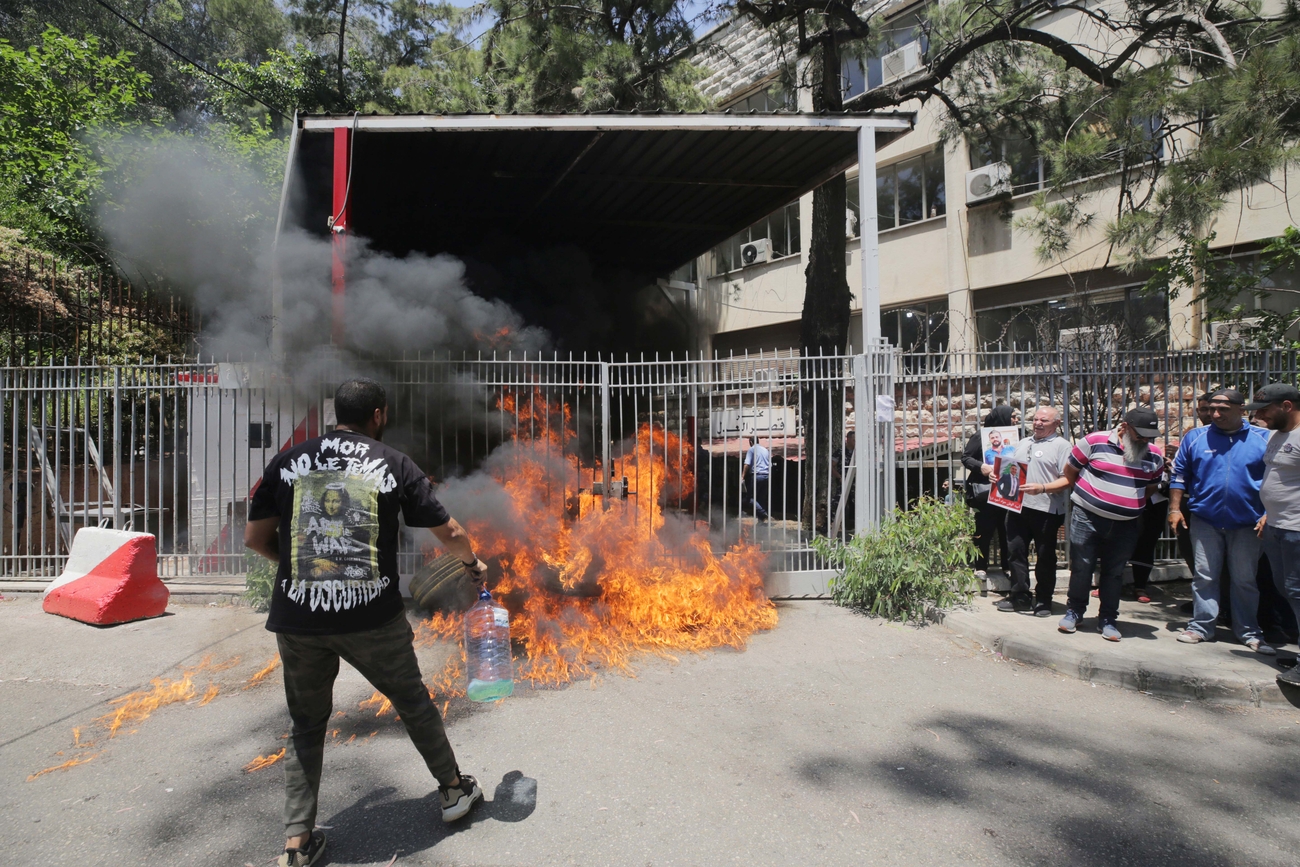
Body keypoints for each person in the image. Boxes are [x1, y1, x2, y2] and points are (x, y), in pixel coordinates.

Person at [245, 378, 488, 867]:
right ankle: (453, 792)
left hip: (298, 618)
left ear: (337, 413)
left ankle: (297, 843)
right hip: (372, 617)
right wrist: (470, 564)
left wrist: (302, 573)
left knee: (306, 725)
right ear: (378, 414)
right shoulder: (392, 462)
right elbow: (453, 531)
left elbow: (255, 539)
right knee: (413, 703)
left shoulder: (287, 462)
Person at [1168, 388, 1273, 653]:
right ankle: (1201, 626)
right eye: (1211, 409)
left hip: (1248, 523)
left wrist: (1268, 513)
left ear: (1241, 410)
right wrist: (1175, 508)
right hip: (1205, 520)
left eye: (1223, 410)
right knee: (1204, 576)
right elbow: (1179, 474)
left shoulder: (1264, 438)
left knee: (1244, 579)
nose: (1215, 414)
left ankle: (1249, 631)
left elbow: (1279, 479)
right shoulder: (1196, 437)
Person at [1056, 408, 1166, 641]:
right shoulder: (1093, 441)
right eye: (1140, 435)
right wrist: (1092, 499)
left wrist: (1125, 504)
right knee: (1082, 567)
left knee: (1114, 572)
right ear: (1124, 428)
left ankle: (1108, 619)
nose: (1145, 440)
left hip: (1126, 524)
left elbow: (1150, 488)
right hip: (1087, 518)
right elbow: (1070, 472)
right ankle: (1074, 612)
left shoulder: (1154, 455)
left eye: (1150, 436)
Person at [997, 406, 1072, 615]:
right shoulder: (1022, 443)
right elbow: (1008, 469)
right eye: (1035, 419)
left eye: (1044, 421)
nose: (1038, 423)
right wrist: (997, 476)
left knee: (1045, 556)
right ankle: (1019, 596)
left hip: (1047, 511)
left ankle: (1044, 600)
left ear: (1056, 423)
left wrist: (1043, 488)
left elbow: (1068, 479)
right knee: (1016, 553)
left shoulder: (1062, 446)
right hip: (1017, 508)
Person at [1248, 383, 1300, 685]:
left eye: (1265, 410)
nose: (1260, 416)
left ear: (1287, 406)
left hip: (1296, 530)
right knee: (1288, 591)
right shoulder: (1279, 436)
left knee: (1297, 592)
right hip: (1277, 526)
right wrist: (1269, 513)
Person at [962, 406, 1017, 582]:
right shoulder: (981, 436)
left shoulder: (1015, 438)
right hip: (985, 493)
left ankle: (1008, 567)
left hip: (1008, 491)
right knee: (984, 529)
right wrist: (982, 467)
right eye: (1013, 417)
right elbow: (966, 457)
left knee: (1007, 530)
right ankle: (980, 567)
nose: (1015, 420)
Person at [741, 437, 771, 521]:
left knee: (749, 498)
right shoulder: (765, 450)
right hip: (766, 476)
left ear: (750, 442)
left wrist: (742, 476)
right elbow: (770, 465)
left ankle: (763, 513)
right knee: (761, 499)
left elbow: (747, 463)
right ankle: (761, 521)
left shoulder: (751, 450)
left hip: (756, 476)